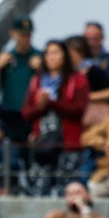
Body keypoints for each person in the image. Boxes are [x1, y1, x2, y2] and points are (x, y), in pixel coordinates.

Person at [20, 37, 89, 193]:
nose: (52, 57)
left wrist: (52, 103)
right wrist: (41, 106)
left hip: (67, 144)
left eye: (56, 53)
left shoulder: (77, 79)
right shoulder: (37, 81)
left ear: (65, 55)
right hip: (42, 143)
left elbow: (79, 110)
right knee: (40, 187)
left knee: (64, 188)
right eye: (48, 53)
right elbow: (26, 112)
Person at [0, 16, 41, 146]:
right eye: (22, 34)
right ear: (13, 33)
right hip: (10, 116)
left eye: (28, 34)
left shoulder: (39, 57)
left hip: (32, 115)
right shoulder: (6, 59)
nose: (26, 38)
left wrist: (41, 70)